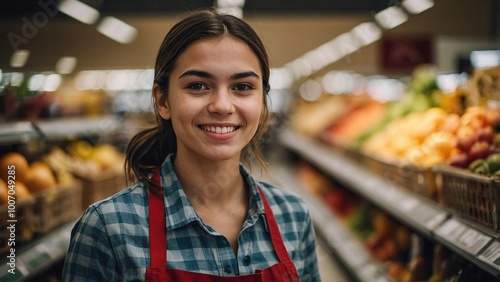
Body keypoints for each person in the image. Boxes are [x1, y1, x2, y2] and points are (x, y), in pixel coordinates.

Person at [63, 8, 321, 281]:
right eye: (198, 86)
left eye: (243, 87)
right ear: (163, 101)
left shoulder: (293, 216)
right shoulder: (108, 229)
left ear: (262, 102)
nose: (222, 106)